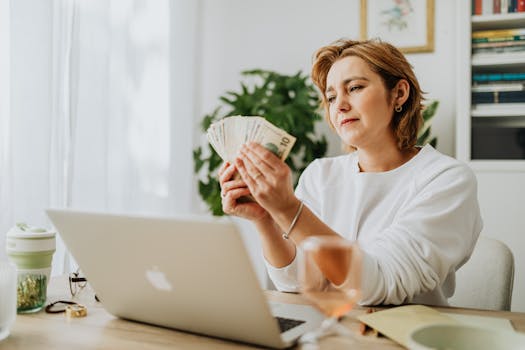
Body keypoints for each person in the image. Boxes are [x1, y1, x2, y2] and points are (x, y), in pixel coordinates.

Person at [217, 38, 482, 306]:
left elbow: (379, 285)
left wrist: (288, 210)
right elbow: (295, 282)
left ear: (399, 93)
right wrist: (266, 220)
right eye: (331, 97)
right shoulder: (320, 174)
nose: (339, 105)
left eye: (354, 88)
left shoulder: (447, 179)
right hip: (331, 331)